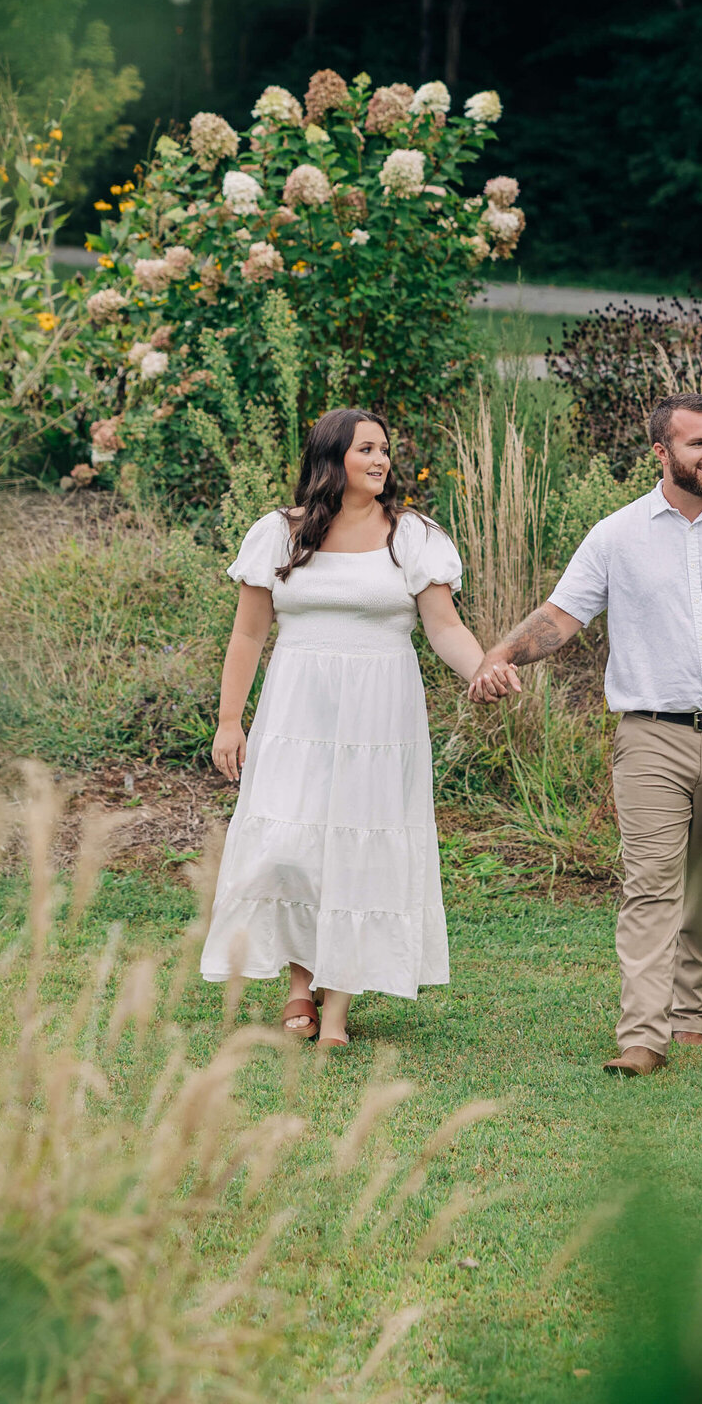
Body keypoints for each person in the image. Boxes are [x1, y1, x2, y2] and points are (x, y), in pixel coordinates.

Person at [468, 392, 702, 1075]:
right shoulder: (617, 535)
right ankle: (641, 1037)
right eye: (698, 444)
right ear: (661, 453)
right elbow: (561, 617)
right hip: (650, 735)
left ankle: (693, 1014)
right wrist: (501, 653)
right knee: (651, 882)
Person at [203, 407, 484, 1048]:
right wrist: (228, 720)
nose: (381, 460)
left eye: (384, 449)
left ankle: (335, 1007)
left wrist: (481, 671)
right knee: (292, 848)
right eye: (366, 449)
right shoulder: (279, 533)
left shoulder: (412, 536)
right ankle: (300, 986)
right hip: (297, 708)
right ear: (332, 459)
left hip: (380, 714)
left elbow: (444, 627)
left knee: (359, 845)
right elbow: (248, 634)